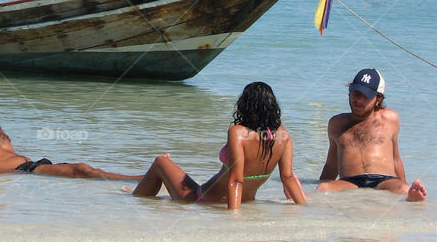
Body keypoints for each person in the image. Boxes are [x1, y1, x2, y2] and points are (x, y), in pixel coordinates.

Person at [0, 75, 138, 179]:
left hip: (32, 170)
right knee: (83, 170)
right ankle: (144, 180)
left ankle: (145, 183)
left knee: (85, 172)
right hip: (23, 172)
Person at [131, 82, 306, 209]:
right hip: (246, 201)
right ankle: (145, 199)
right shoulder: (283, 135)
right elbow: (288, 178)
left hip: (204, 200)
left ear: (245, 106)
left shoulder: (238, 132)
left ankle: (134, 203)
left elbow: (236, 180)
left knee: (161, 162)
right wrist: (304, 209)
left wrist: (233, 219)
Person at [317, 68, 427, 201]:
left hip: (384, 180)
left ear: (378, 99)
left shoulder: (389, 119)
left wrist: (405, 185)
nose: (359, 100)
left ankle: (412, 198)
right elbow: (331, 165)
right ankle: (297, 195)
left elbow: (395, 159)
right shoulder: (336, 123)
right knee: (323, 189)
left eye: (366, 96)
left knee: (403, 189)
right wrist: (319, 189)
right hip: (350, 181)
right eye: (356, 93)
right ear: (349, 92)